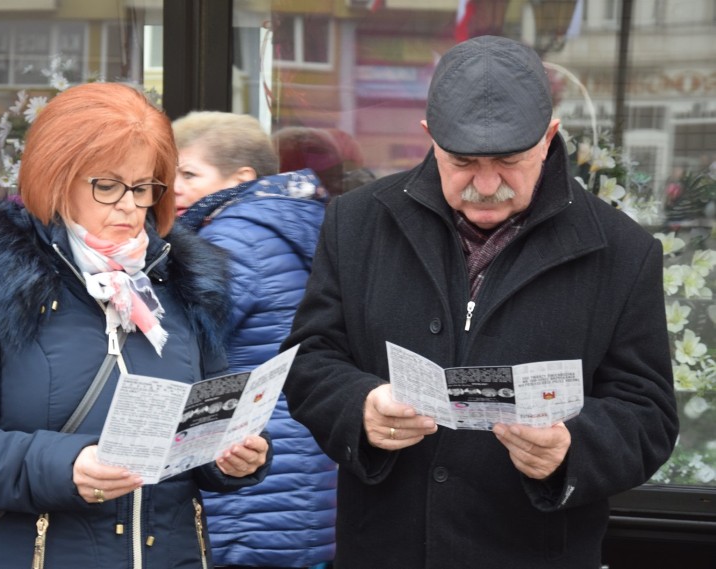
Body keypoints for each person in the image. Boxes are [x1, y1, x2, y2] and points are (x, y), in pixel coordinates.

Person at [280, 35, 679, 569]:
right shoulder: (357, 222)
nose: (486, 185)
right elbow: (310, 359)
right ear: (430, 139)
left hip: (531, 550)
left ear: (549, 137)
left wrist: (572, 449)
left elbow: (647, 413)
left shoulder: (623, 251)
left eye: (510, 161)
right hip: (385, 547)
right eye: (463, 162)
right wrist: (360, 408)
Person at [0, 82, 272, 569]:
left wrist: (231, 458)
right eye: (107, 184)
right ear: (57, 178)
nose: (130, 204)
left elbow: (197, 429)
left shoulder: (183, 283)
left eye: (145, 186)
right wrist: (67, 467)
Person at [173, 110, 336, 569]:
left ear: (241, 177)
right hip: (298, 454)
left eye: (189, 173)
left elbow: (181, 345)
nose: (175, 187)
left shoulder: (233, 240)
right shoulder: (293, 222)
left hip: (253, 467)